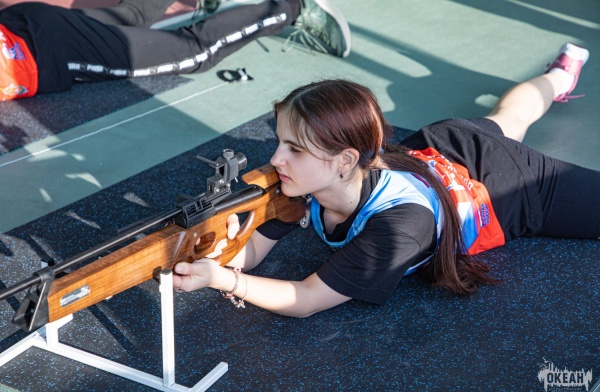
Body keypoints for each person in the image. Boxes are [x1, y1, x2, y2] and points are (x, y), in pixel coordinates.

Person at [173, 43, 599, 317]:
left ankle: (561, 76)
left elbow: (306, 299)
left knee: (512, 125)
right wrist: (217, 247)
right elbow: (249, 253)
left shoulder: (400, 227)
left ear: (345, 160)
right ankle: (562, 73)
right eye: (280, 142)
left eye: (294, 149)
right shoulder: (302, 184)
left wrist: (223, 280)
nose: (275, 159)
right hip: (443, 144)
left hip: (506, 185)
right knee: (508, 117)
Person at [0, 0, 350, 101]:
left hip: (44, 53)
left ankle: (292, 7)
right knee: (129, 17)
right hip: (24, 26)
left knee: (193, 52)